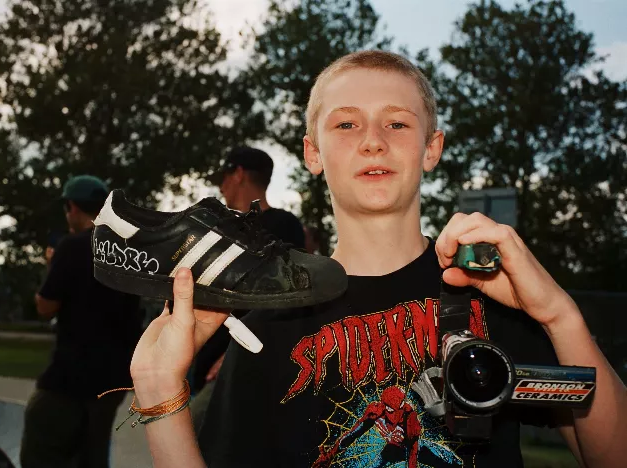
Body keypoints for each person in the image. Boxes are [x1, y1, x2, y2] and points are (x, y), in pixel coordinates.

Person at [127, 51, 627, 468]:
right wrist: (158, 389)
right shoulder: (268, 323)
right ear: (313, 152)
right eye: (346, 123)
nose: (372, 140)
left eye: (396, 122)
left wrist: (559, 314)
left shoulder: (492, 292)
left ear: (431, 148)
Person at [21, 175, 143, 468]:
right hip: (112, 379)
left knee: (41, 442)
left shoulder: (72, 247)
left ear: (73, 207)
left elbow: (46, 307)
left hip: (70, 376)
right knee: (93, 455)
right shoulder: (129, 251)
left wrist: (52, 268)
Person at [189, 146, 308, 430]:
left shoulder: (281, 225)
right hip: (205, 363)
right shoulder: (221, 230)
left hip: (239, 364)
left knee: (187, 436)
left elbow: (285, 298)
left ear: (239, 174)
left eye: (224, 176)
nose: (221, 185)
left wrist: (235, 353)